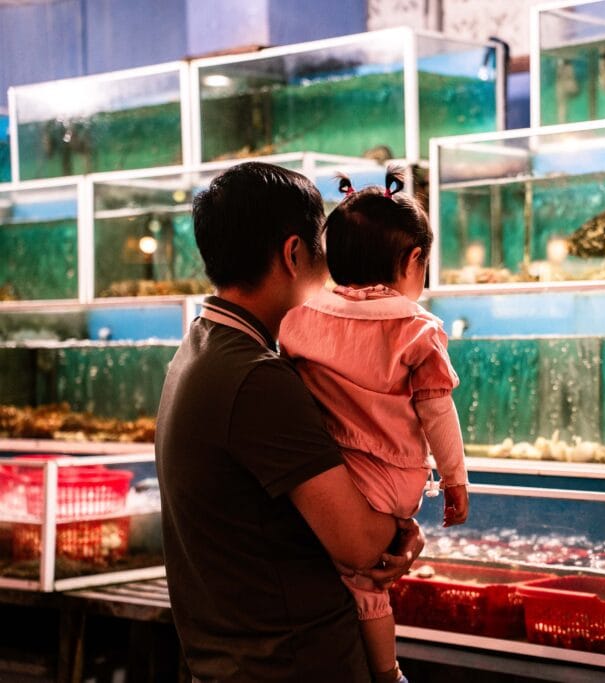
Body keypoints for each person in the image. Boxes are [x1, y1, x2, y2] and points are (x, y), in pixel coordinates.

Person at [156, 161, 424, 683]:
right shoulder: (256, 378)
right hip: (288, 664)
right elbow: (358, 544)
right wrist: (401, 526)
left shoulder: (199, 349)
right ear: (294, 253)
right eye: (324, 251)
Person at [279, 167, 469, 683]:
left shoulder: (299, 318)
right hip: (392, 476)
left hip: (330, 474)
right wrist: (454, 480)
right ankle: (387, 674)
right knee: (370, 582)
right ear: (413, 260)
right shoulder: (415, 328)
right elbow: (437, 409)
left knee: (357, 579)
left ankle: (385, 670)